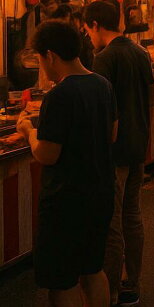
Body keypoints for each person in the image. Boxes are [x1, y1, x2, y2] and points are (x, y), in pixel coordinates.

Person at [18, 21, 116, 307]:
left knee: (62, 281)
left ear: (50, 56)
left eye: (39, 59)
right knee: (92, 269)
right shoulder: (102, 84)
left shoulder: (59, 95)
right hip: (100, 193)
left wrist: (29, 132)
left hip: (66, 201)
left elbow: (47, 154)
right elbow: (113, 134)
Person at [85, 0, 154, 307]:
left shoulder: (104, 59)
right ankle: (133, 282)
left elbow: (101, 113)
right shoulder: (141, 53)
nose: (88, 35)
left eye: (88, 29)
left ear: (96, 26)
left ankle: (111, 291)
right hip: (139, 144)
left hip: (115, 152)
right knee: (132, 216)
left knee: (111, 223)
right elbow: (151, 97)